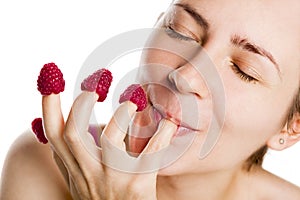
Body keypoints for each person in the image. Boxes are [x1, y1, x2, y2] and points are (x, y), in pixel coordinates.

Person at [1, 0, 300, 199]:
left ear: (290, 127)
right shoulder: (39, 165)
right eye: (180, 31)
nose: (185, 76)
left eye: (243, 70)